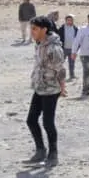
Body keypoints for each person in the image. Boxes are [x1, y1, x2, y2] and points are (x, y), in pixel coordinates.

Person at [25, 16, 67, 167]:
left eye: (35, 29)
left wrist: (62, 87)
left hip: (51, 89)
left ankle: (53, 155)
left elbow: (60, 69)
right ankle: (40, 151)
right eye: (31, 28)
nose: (32, 32)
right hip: (39, 87)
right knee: (31, 120)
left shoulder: (54, 48)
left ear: (44, 29)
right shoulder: (39, 44)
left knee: (48, 122)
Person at [56, 15, 79, 81]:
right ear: (66, 21)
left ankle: (72, 75)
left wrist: (77, 48)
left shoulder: (75, 28)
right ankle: (58, 76)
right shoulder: (61, 28)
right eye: (68, 20)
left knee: (72, 63)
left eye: (71, 20)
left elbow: (78, 39)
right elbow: (58, 38)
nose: (69, 21)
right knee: (60, 63)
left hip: (72, 49)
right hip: (63, 49)